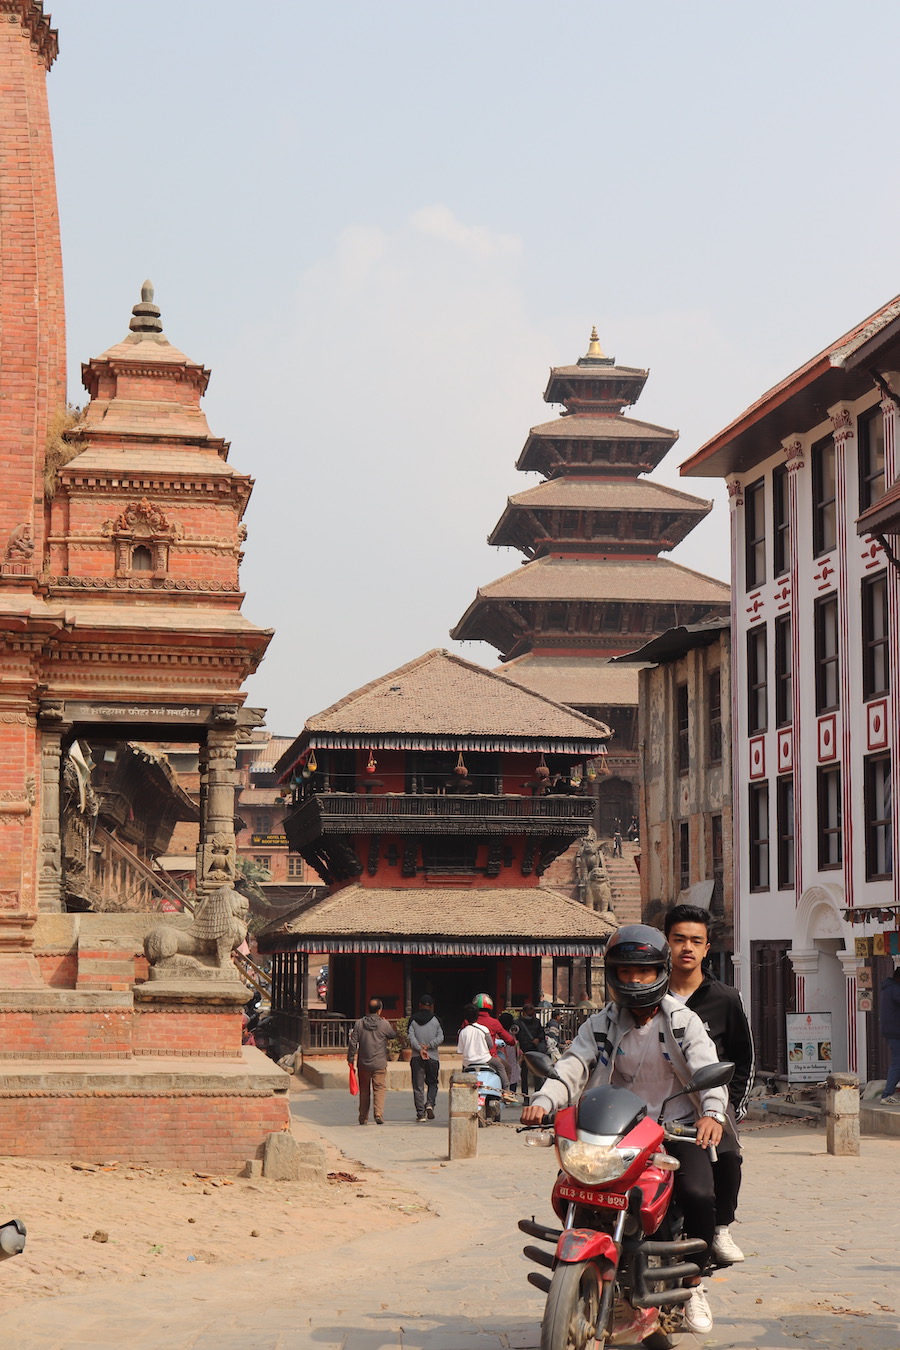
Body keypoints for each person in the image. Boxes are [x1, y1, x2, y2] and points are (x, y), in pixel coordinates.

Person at [521, 924, 729, 1338]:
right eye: (627, 972)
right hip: (614, 1131)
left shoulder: (684, 1022)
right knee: (575, 1181)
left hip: (674, 1129)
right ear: (613, 973)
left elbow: (709, 1070)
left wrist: (711, 1114)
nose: (635, 981)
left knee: (700, 1193)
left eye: (645, 972)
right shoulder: (599, 1024)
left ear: (661, 972)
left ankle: (693, 1284)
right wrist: (544, 1101)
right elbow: (571, 1067)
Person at [665, 903, 755, 1265]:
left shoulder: (725, 998)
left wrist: (731, 1109)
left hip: (710, 1100)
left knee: (729, 1153)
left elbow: (742, 1058)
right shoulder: (647, 994)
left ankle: (721, 1228)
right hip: (657, 1097)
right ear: (666, 942)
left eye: (695, 941)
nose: (687, 947)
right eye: (679, 939)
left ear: (706, 947)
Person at [347, 997, 396, 1125]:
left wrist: (350, 1059)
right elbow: (392, 1035)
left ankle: (363, 1117)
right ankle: (378, 1113)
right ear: (380, 1010)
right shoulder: (384, 1024)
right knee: (379, 1088)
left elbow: (353, 1043)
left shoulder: (359, 1024)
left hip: (363, 1062)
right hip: (379, 1063)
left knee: (364, 1090)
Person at [459, 1002, 517, 1103]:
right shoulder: (489, 1025)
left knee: (464, 1075)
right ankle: (506, 1091)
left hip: (468, 1062)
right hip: (486, 1059)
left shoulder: (463, 1030)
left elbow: (460, 1050)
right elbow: (490, 1045)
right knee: (502, 1067)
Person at [407, 994, 444, 1122]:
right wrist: (429, 1046)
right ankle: (430, 1104)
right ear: (432, 1006)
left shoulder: (413, 1020)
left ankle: (421, 1114)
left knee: (418, 1086)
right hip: (433, 1057)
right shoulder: (436, 1020)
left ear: (419, 1005)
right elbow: (441, 1037)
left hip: (417, 1057)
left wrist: (420, 1048)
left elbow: (410, 1038)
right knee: (432, 1083)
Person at [515, 1001, 548, 1103]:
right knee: (524, 1075)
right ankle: (526, 1097)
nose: (531, 1016)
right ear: (524, 1012)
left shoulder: (536, 1022)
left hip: (535, 1050)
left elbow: (542, 1033)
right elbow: (516, 1037)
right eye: (529, 1014)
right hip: (524, 1051)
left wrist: (538, 1039)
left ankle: (537, 1095)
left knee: (537, 1074)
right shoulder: (518, 1023)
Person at [878, 965, 900, 1104]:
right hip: (896, 1031)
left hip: (891, 1030)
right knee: (898, 1062)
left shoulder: (888, 988)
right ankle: (887, 1095)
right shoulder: (895, 989)